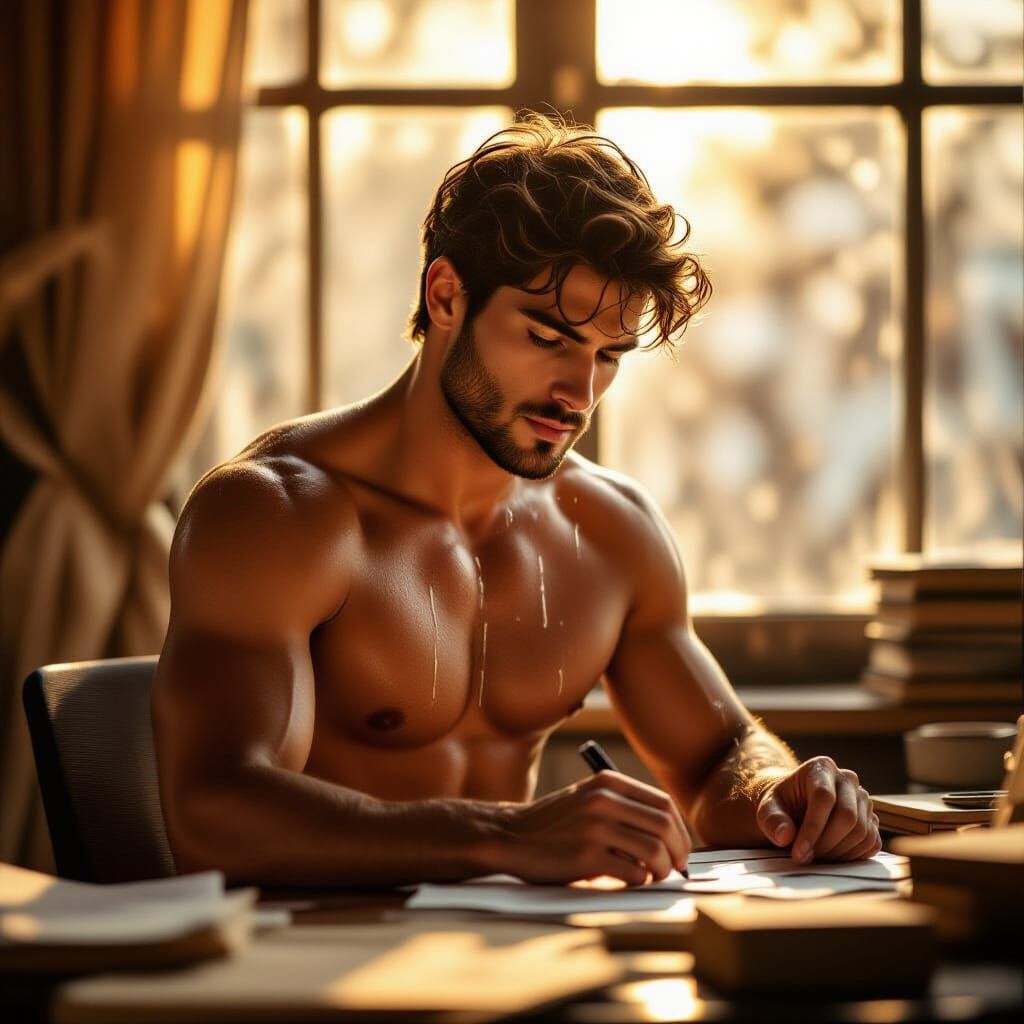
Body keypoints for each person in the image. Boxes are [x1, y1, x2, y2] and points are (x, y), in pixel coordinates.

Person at [153, 112, 881, 888]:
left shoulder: (611, 531)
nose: (579, 392)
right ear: (445, 297)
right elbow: (212, 813)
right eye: (547, 338)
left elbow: (717, 756)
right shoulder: (277, 516)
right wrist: (502, 837)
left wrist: (779, 793)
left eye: (609, 356)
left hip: (516, 963)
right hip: (312, 972)